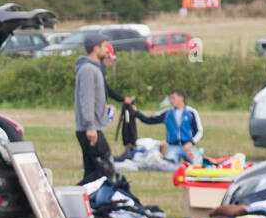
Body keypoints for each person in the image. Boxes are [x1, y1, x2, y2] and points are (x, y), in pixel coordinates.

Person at [74, 39, 133, 185]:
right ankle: (69, 198)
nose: (107, 51)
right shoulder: (88, 70)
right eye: (105, 47)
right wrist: (90, 127)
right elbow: (86, 99)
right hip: (90, 130)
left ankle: (87, 203)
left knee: (93, 173)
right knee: (104, 172)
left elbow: (93, 98)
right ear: (96, 48)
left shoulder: (93, 69)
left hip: (92, 127)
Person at [135, 90, 203, 164]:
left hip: (188, 146)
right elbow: (149, 120)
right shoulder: (167, 113)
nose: (171, 101)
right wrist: (136, 113)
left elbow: (199, 131)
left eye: (173, 98)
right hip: (173, 147)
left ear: (181, 98)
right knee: (169, 165)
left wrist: (191, 142)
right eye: (171, 98)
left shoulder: (191, 112)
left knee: (198, 164)